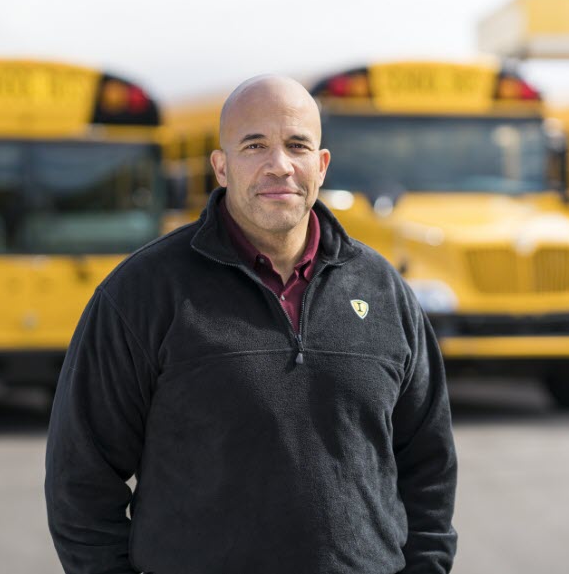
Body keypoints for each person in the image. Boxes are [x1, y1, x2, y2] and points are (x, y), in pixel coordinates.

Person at [45, 75, 457, 574]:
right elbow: (80, 478)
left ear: (321, 165)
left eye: (297, 145)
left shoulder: (383, 291)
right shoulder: (141, 294)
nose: (279, 165)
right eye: (255, 145)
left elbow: (429, 463)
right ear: (221, 166)